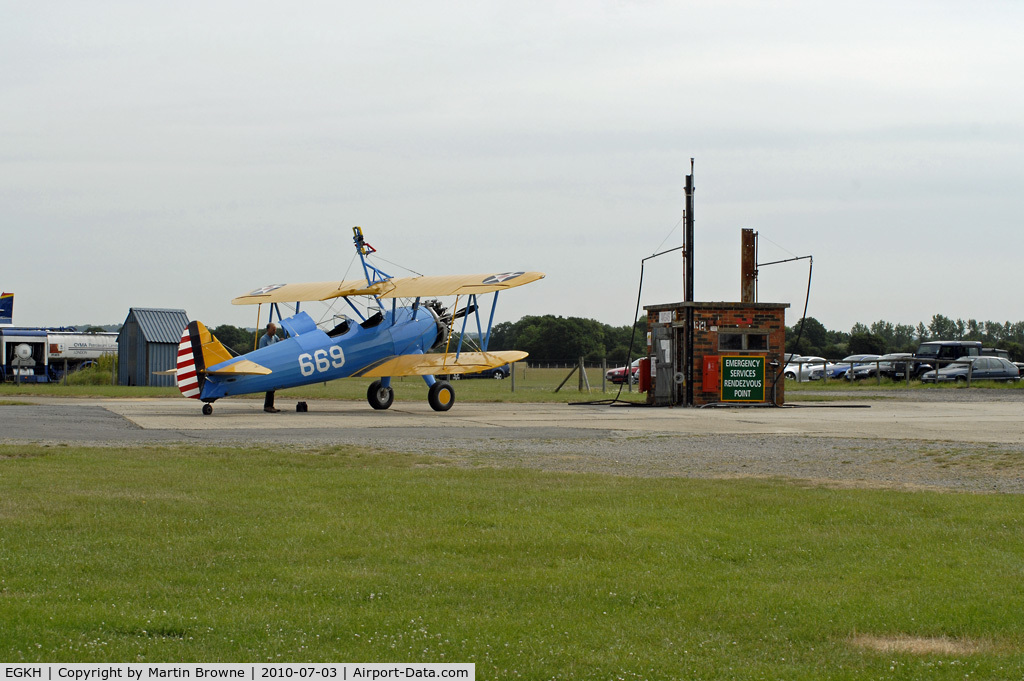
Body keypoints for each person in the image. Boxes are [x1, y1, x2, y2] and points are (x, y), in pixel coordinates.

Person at [258, 322, 280, 413]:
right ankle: (268, 406)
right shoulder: (263, 339)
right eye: (273, 329)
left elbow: (279, 345)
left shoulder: (275, 338)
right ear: (268, 329)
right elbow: (261, 353)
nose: (275, 331)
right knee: (270, 386)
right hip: (268, 365)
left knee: (273, 387)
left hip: (274, 364)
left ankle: (271, 405)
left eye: (275, 329)